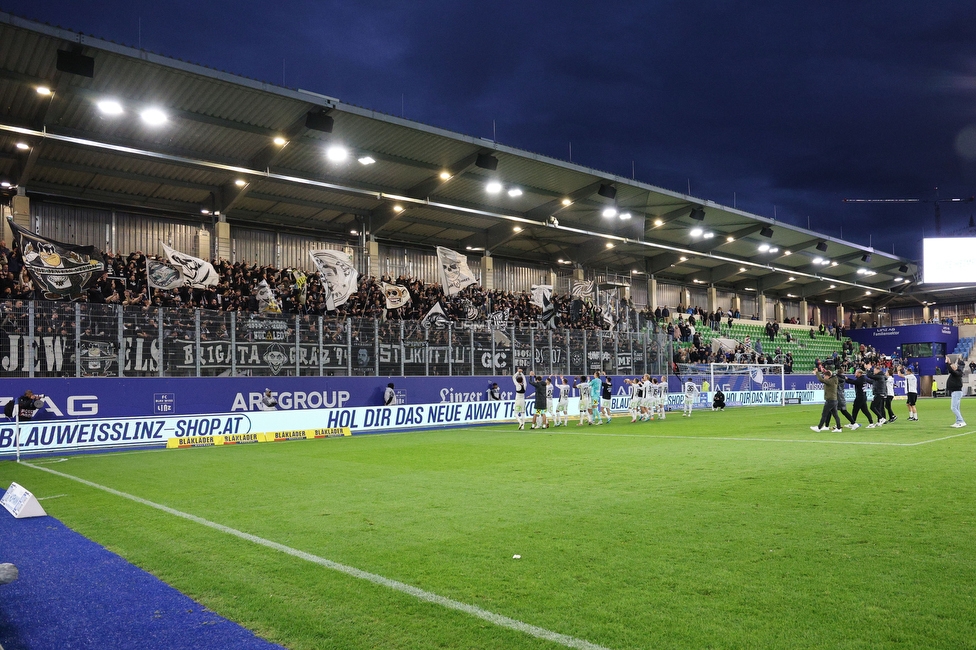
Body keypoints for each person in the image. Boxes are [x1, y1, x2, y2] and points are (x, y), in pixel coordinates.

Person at [812, 365, 842, 432]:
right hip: (834, 400)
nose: (824, 377)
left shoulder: (829, 381)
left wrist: (817, 372)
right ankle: (839, 428)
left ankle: (819, 428)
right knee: (835, 415)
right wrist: (823, 370)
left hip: (830, 401)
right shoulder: (834, 379)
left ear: (828, 376)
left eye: (825, 376)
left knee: (824, 414)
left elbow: (820, 379)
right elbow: (828, 375)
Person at [945, 356, 966, 428]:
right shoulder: (956, 373)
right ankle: (958, 422)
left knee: (953, 408)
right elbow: (952, 370)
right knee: (957, 408)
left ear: (955, 367)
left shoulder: (957, 373)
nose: (952, 367)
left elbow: (951, 370)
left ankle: (961, 421)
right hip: (955, 392)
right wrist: (949, 362)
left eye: (953, 366)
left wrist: (947, 363)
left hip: (956, 392)